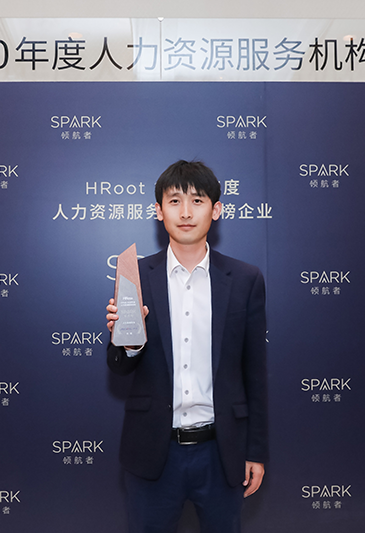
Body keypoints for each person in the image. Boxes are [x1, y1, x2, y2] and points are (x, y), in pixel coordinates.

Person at [106, 160, 268, 533]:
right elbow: (118, 367)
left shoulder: (245, 279)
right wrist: (127, 342)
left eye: (197, 200)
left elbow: (255, 372)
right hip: (153, 452)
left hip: (221, 452)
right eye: (175, 201)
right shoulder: (135, 275)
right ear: (158, 211)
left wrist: (255, 451)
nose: (185, 212)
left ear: (216, 209)